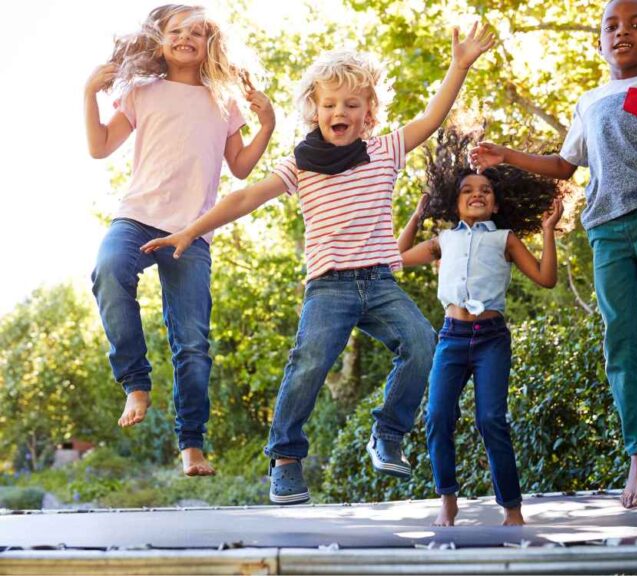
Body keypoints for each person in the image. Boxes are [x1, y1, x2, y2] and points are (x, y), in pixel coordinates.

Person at [140, 24, 495, 504]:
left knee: (421, 343)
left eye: (351, 105)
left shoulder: (384, 149)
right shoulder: (300, 164)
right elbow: (246, 195)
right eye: (329, 105)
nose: (339, 112)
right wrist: (190, 230)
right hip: (329, 286)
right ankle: (285, 458)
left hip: (379, 281)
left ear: (368, 112)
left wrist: (459, 65)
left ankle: (387, 434)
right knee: (307, 364)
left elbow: (432, 118)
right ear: (314, 109)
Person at [471, 0, 637, 508]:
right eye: (611, 25)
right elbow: (564, 164)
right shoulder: (588, 101)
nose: (622, 34)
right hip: (606, 232)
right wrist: (505, 155)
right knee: (620, 342)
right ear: (599, 39)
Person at [85, 4, 275, 476]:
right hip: (137, 216)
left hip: (192, 230)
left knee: (192, 343)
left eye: (197, 32)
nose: (186, 38)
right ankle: (136, 382)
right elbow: (99, 147)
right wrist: (89, 91)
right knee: (108, 270)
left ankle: (192, 445)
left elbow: (242, 167)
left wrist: (267, 123)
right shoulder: (141, 91)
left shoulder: (223, 100)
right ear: (160, 38)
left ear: (211, 43)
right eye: (176, 31)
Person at [398, 128, 563, 526]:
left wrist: (546, 232)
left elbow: (546, 279)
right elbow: (397, 257)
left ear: (496, 202)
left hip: (491, 340)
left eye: (486, 190)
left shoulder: (505, 238)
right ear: (453, 202)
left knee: (491, 420)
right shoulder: (443, 241)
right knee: (437, 416)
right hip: (451, 339)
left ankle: (512, 509)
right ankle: (447, 499)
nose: (477, 193)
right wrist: (417, 216)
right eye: (468, 189)